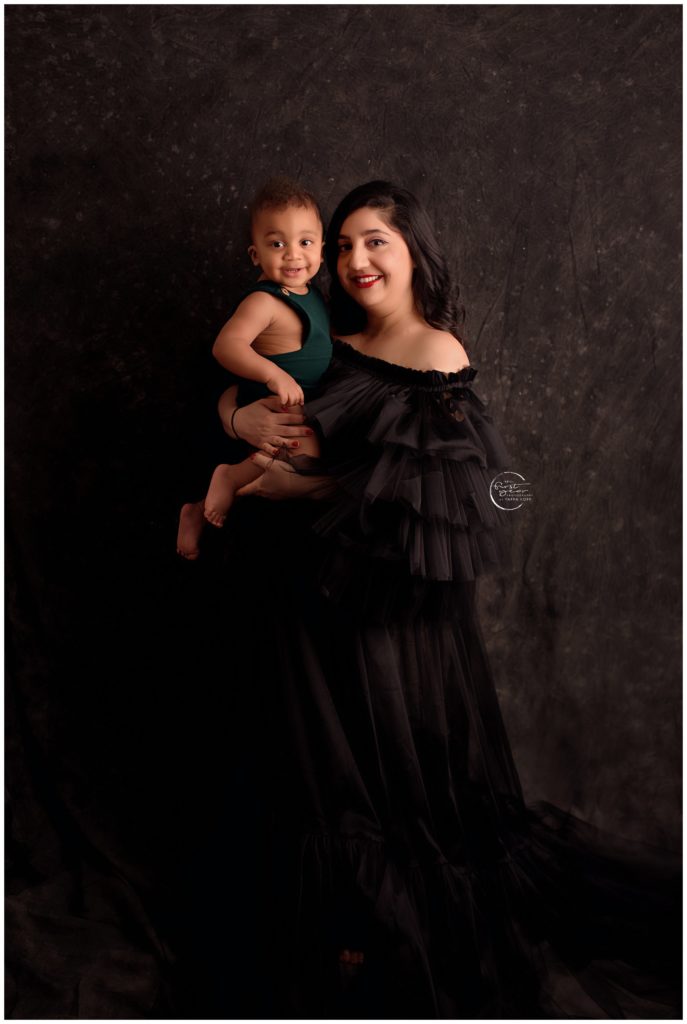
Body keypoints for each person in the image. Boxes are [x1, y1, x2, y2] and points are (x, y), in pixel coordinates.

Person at [191, 181, 680, 1019]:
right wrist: (239, 428)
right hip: (305, 608)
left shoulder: (436, 356)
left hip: (387, 620)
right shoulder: (324, 337)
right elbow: (236, 395)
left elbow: (455, 491)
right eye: (341, 244)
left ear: (413, 246)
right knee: (318, 767)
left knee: (384, 768)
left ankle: (385, 927)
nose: (351, 260)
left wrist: (293, 492)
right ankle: (342, 925)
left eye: (373, 241)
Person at [175, 177, 330, 560]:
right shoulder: (265, 301)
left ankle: (203, 505)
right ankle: (227, 477)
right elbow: (226, 347)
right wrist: (272, 373)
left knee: (308, 467)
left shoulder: (313, 294)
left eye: (305, 242)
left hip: (299, 404)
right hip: (270, 399)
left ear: (322, 251)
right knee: (302, 451)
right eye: (277, 244)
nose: (293, 255)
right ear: (255, 254)